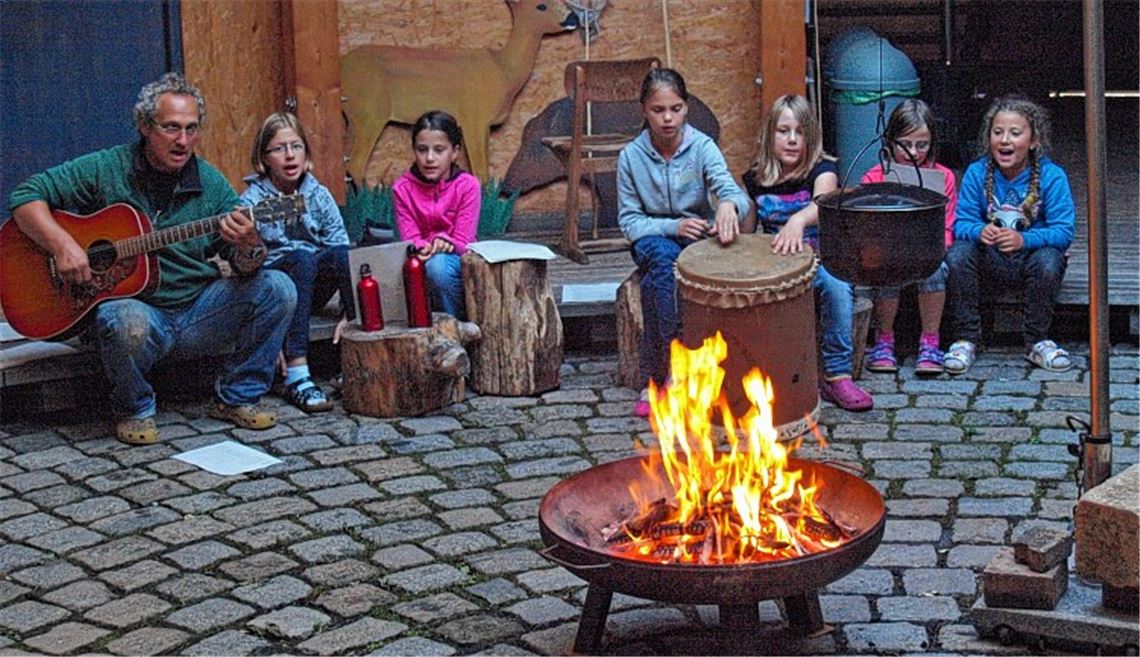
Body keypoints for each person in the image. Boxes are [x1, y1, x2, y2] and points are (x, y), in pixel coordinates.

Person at [7, 72, 296, 445]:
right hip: (137, 316)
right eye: (171, 128)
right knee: (122, 319)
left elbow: (244, 266)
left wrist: (250, 244)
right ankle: (135, 407)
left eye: (192, 129)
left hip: (198, 314)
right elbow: (26, 196)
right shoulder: (107, 167)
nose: (183, 141)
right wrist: (63, 245)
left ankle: (237, 398)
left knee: (279, 288)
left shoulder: (210, 185)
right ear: (144, 125)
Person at [617, 68, 750, 417]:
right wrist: (672, 226)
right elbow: (629, 222)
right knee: (663, 264)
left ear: (686, 107)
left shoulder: (702, 147)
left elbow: (732, 190)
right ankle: (679, 366)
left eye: (675, 108)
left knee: (652, 286)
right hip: (654, 239)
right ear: (644, 110)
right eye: (658, 110)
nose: (667, 118)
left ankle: (655, 378)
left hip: (697, 239)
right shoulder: (630, 157)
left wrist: (727, 205)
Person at [742, 94, 873, 411]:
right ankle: (760, 374)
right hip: (777, 262)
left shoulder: (823, 169)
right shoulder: (755, 179)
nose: (791, 139)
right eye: (783, 131)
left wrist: (798, 220)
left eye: (800, 132)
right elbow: (747, 231)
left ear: (810, 137)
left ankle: (837, 375)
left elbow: (822, 201)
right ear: (770, 134)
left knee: (837, 287)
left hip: (820, 259)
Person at [945, 95, 1075, 374]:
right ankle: (967, 337)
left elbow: (1064, 231)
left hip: (1031, 259)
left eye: (1015, 133)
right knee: (957, 255)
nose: (1005, 140)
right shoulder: (976, 172)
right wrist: (981, 231)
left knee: (1050, 261)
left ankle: (1037, 340)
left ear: (1034, 141)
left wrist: (1023, 240)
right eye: (998, 132)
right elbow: (961, 223)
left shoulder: (1052, 176)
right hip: (989, 259)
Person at [240, 111, 351, 413]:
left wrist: (348, 309)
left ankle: (354, 339)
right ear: (264, 158)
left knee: (341, 254)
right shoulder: (251, 202)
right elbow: (246, 266)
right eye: (279, 149)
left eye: (296, 146)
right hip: (275, 292)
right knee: (301, 258)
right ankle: (298, 370)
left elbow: (338, 241)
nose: (290, 156)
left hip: (312, 285)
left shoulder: (318, 194)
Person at [860, 99, 958, 376]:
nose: (913, 153)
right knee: (885, 269)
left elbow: (947, 225)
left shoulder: (943, 176)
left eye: (922, 145)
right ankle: (884, 340)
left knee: (935, 270)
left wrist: (937, 247)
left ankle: (930, 342)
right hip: (886, 252)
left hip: (926, 252)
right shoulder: (874, 176)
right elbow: (863, 225)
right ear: (891, 141)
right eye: (906, 145)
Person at [392, 110, 481, 321]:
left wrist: (446, 242)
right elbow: (409, 237)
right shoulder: (401, 189)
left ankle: (453, 330)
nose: (429, 158)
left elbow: (464, 241)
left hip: (458, 260)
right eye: (422, 150)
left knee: (438, 268)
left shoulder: (468, 186)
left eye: (439, 150)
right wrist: (423, 246)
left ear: (455, 152)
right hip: (420, 259)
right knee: (428, 267)